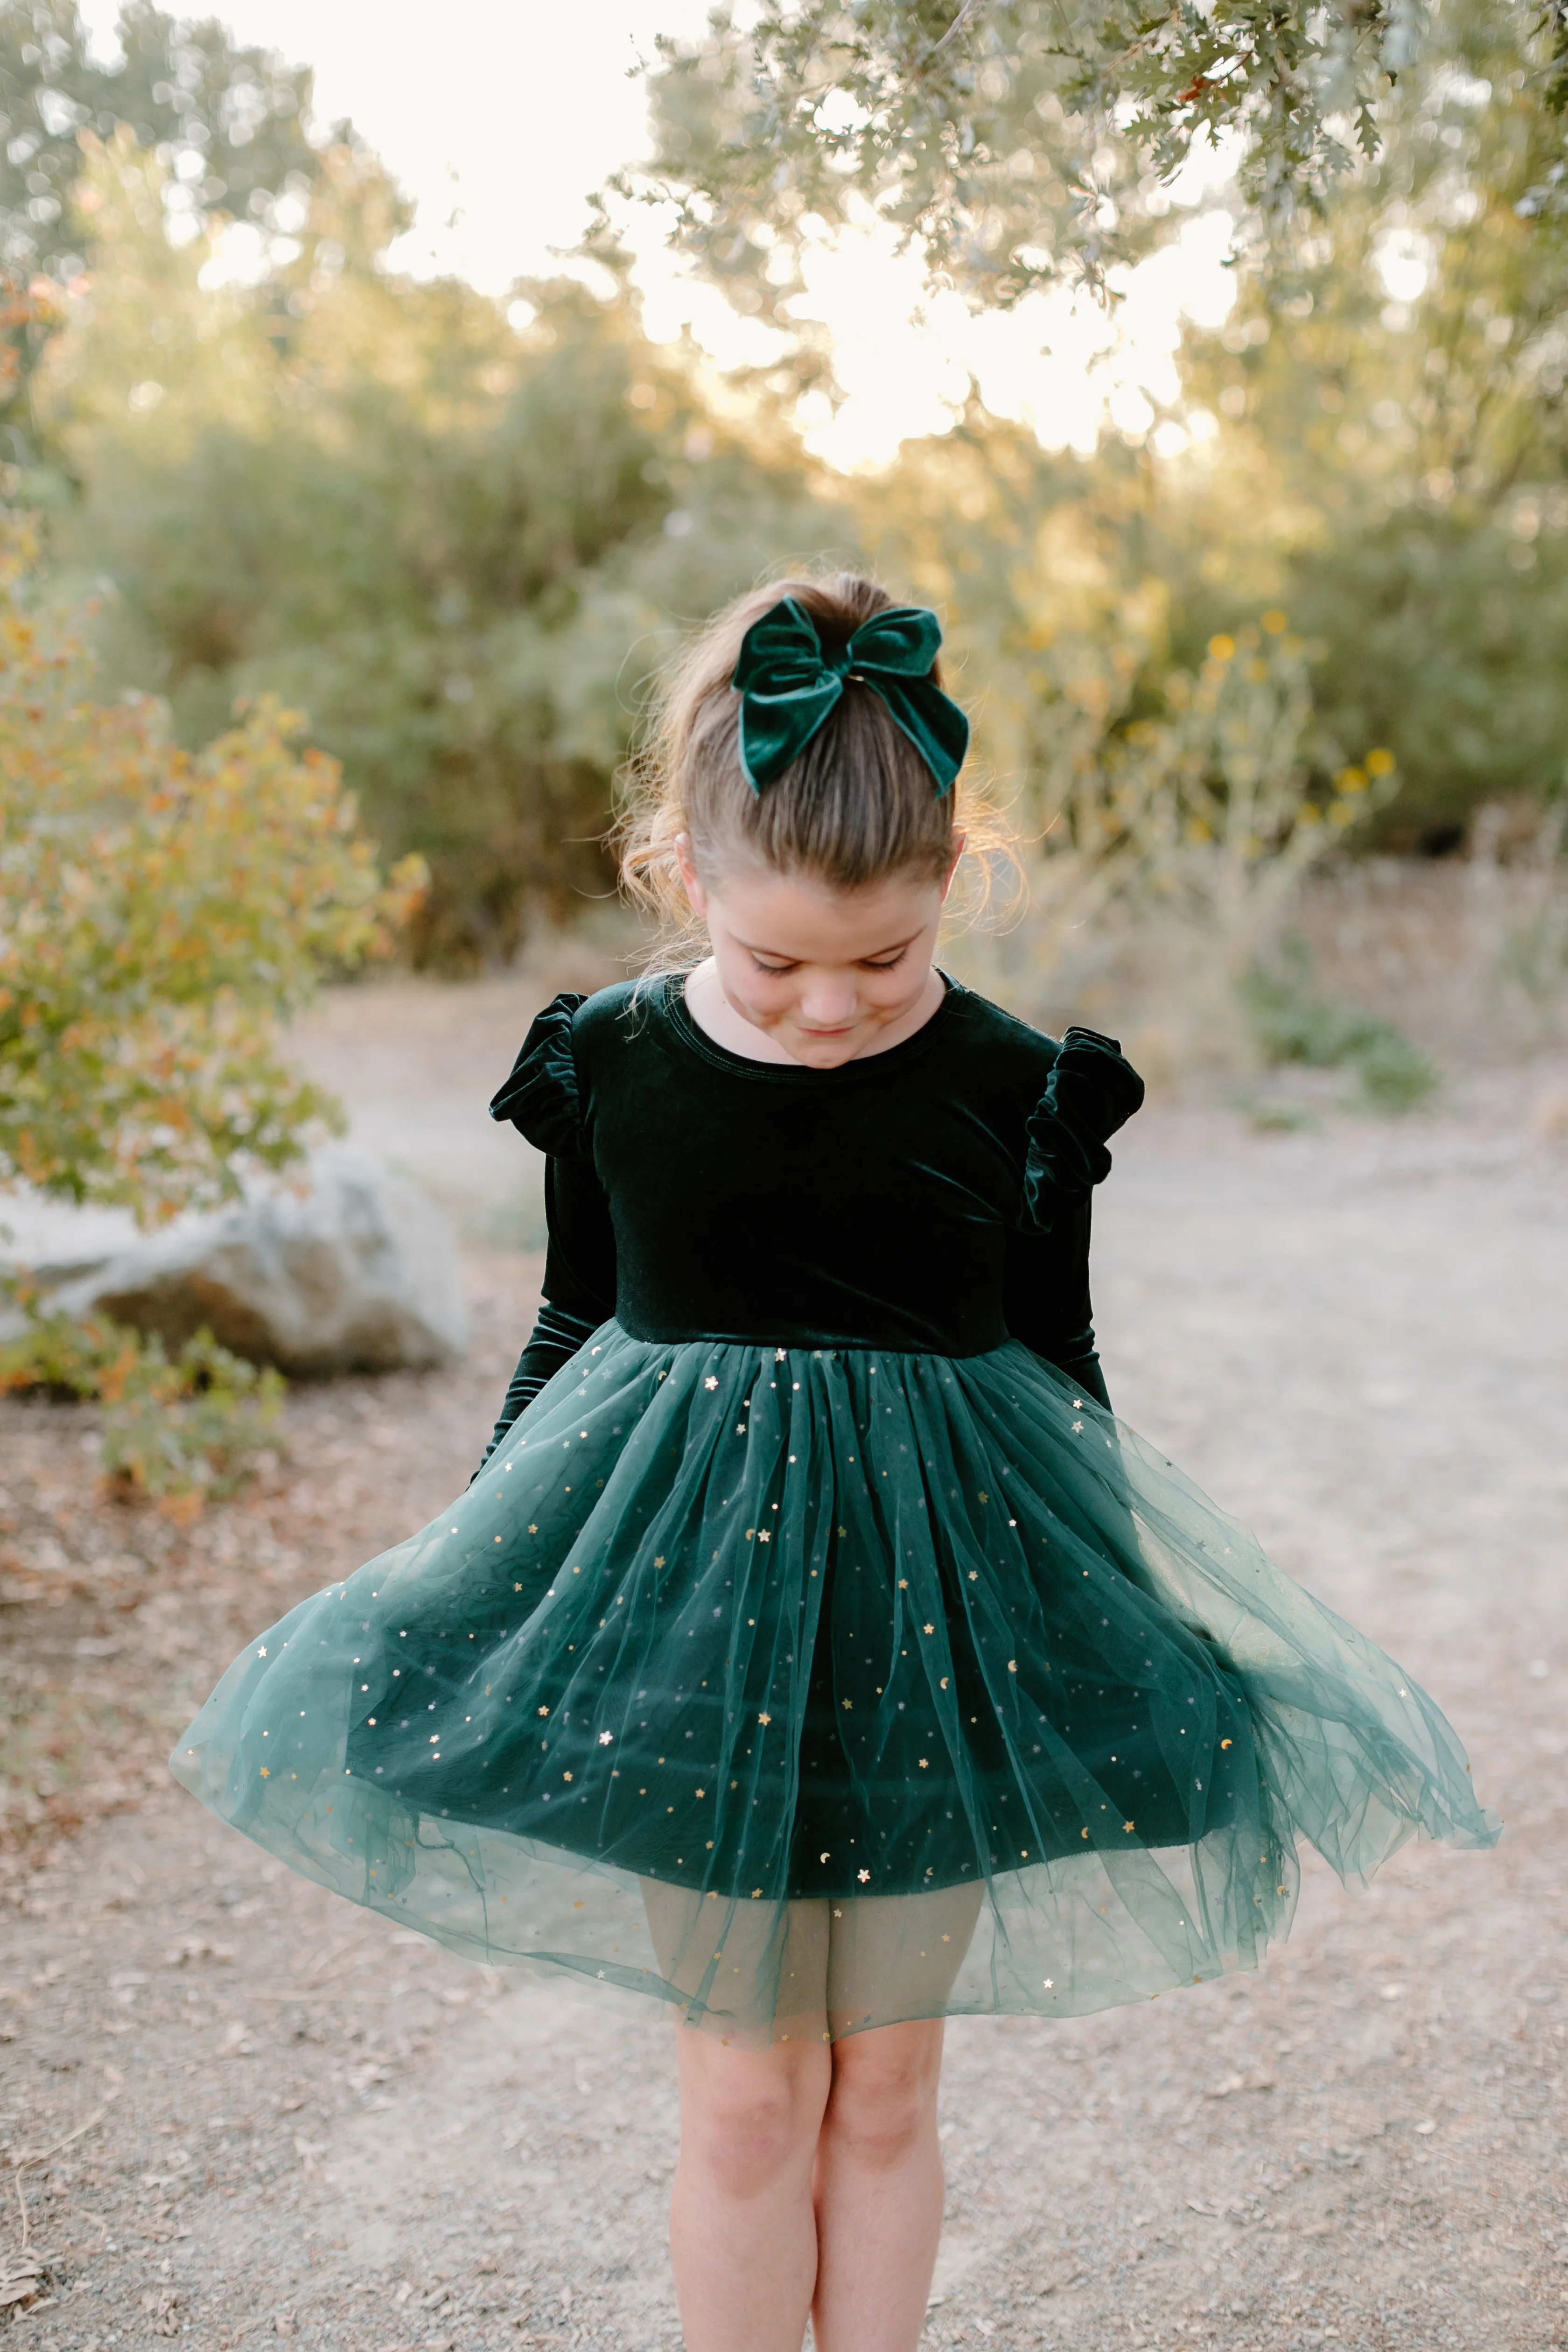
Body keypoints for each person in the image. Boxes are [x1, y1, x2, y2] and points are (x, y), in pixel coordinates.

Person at [172, 573, 1497, 2352]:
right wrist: (483, 1570)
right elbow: (574, 1332)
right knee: (741, 2092)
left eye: (881, 960)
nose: (824, 1008)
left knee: (882, 2089)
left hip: (940, 1634)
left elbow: (1058, 1362)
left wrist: (1119, 1623)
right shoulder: (613, 1067)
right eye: (776, 960)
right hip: (681, 1626)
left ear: (953, 882)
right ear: (687, 877)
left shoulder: (1020, 1086)